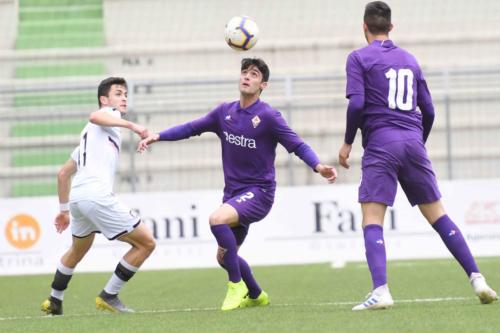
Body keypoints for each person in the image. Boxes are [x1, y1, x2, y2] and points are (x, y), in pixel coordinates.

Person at [138, 58, 337, 311]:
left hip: (260, 193)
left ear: (263, 84)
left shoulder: (268, 116)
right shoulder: (224, 112)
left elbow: (296, 144)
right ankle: (256, 294)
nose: (247, 77)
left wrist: (318, 166)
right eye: (244, 72)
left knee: (216, 219)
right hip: (233, 194)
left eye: (253, 74)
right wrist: (158, 136)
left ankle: (236, 286)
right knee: (224, 256)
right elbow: (191, 128)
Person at [338, 1, 497, 311]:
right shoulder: (410, 59)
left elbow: (356, 105)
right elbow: (430, 110)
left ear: (364, 26)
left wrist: (347, 143)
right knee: (438, 215)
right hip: (412, 141)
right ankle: (478, 278)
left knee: (372, 218)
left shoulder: (358, 57)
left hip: (381, 142)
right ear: (391, 27)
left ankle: (381, 290)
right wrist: (416, 142)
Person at [41, 77, 156, 315]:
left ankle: (54, 300)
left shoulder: (90, 136)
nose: (124, 97)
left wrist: (64, 211)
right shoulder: (107, 117)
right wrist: (135, 127)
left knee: (77, 250)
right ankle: (109, 295)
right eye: (118, 93)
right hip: (96, 196)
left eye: (125, 93)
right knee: (146, 243)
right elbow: (95, 116)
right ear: (104, 99)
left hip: (78, 199)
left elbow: (63, 174)